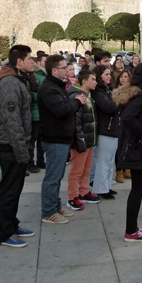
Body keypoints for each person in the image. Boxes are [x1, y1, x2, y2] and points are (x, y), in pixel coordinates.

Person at [0, 45, 36, 248]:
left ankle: (12, 224)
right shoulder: (10, 83)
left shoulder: (18, 79)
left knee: (15, 189)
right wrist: (22, 151)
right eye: (29, 59)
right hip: (10, 145)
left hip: (16, 144)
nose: (33, 62)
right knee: (9, 191)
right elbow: (12, 120)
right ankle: (4, 233)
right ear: (19, 61)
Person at [38, 55, 86, 224]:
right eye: (64, 67)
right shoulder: (49, 89)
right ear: (54, 70)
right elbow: (61, 110)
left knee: (57, 176)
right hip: (54, 138)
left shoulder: (57, 86)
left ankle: (55, 206)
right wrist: (77, 102)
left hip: (61, 137)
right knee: (52, 177)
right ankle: (48, 211)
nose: (67, 70)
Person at [114, 63, 142, 242]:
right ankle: (131, 230)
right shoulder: (139, 96)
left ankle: (132, 228)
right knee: (138, 189)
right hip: (134, 145)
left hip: (130, 143)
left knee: (137, 189)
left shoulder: (133, 93)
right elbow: (128, 118)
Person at [66, 68, 100, 211]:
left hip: (89, 138)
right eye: (93, 79)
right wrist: (80, 140)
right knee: (76, 171)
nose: (96, 82)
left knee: (87, 168)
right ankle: (72, 196)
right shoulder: (77, 96)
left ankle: (84, 191)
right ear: (84, 81)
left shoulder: (88, 95)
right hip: (81, 140)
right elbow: (76, 121)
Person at [91, 65, 120, 200]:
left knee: (109, 161)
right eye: (106, 74)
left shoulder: (107, 90)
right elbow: (108, 107)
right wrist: (119, 100)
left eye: (110, 74)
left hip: (112, 129)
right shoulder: (98, 92)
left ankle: (107, 186)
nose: (109, 76)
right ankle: (101, 188)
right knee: (104, 161)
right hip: (105, 130)